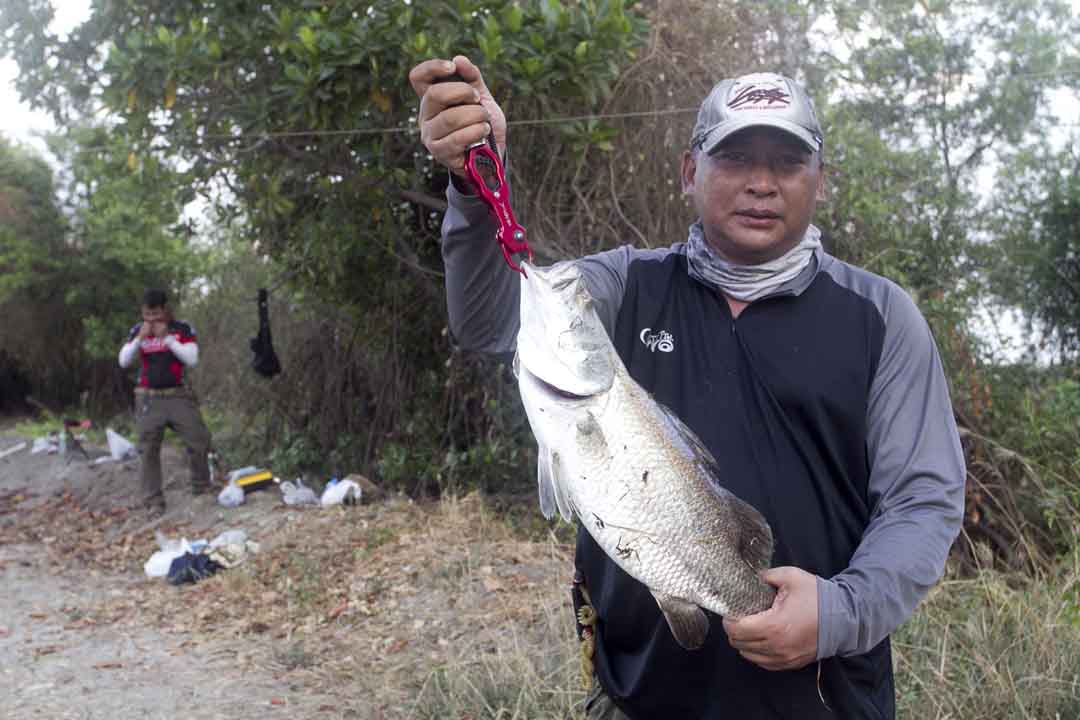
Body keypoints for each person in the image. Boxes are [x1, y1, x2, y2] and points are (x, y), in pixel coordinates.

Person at [409, 57, 965, 719]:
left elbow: (923, 500)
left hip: (826, 698)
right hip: (639, 696)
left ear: (820, 181)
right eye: (734, 158)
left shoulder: (880, 316)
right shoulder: (623, 287)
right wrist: (476, 185)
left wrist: (840, 613)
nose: (761, 184)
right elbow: (492, 320)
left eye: (787, 162)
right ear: (688, 172)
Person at [117, 289, 212, 515]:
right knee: (148, 450)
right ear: (142, 312)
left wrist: (167, 338)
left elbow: (192, 359)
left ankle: (202, 489)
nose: (151, 319)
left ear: (165, 310)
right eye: (147, 314)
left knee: (198, 440)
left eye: (156, 314)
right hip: (148, 397)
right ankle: (154, 502)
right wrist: (141, 338)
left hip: (177, 395)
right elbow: (123, 361)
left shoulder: (181, 329)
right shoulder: (137, 331)